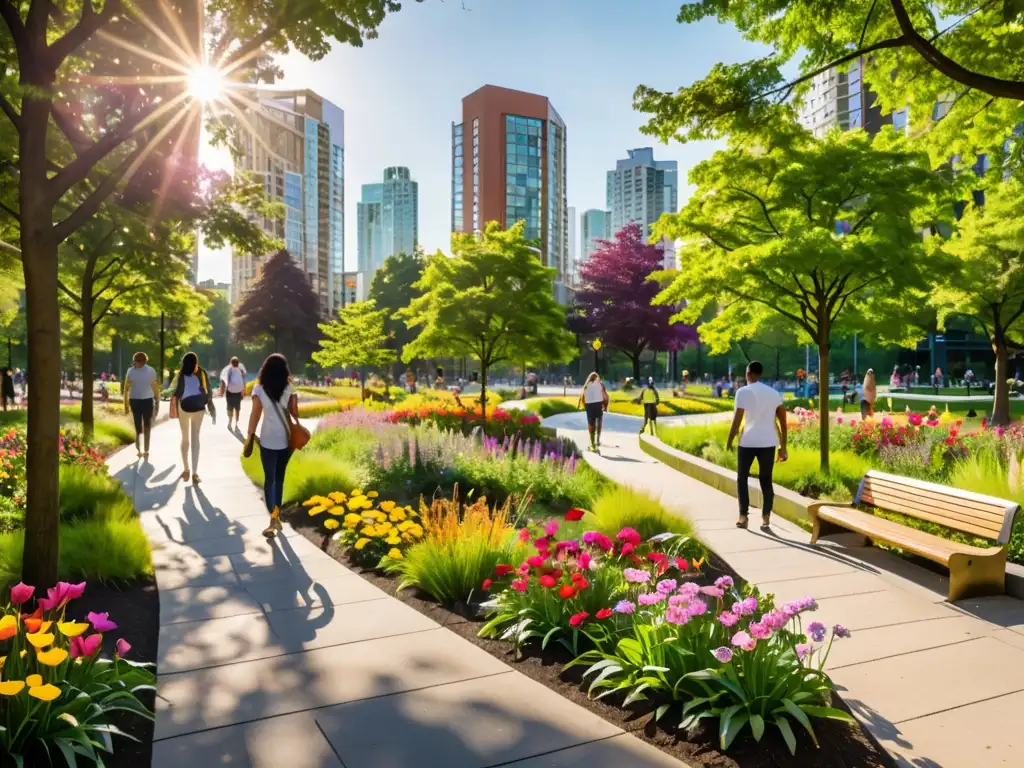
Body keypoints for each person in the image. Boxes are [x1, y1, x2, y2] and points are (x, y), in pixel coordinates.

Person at [726, 361, 788, 531]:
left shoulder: (743, 392)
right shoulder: (774, 393)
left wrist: (730, 440)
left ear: (748, 374)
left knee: (742, 478)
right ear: (760, 374)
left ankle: (743, 516)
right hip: (768, 443)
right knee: (766, 480)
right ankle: (766, 516)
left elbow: (737, 419)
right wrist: (783, 447)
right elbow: (783, 421)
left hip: (747, 441)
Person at [245, 354, 298, 538]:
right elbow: (294, 413)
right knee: (279, 480)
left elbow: (255, 415)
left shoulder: (259, 389)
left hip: (267, 441)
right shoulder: (289, 387)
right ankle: (276, 516)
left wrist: (250, 435)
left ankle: (273, 519)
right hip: (286, 441)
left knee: (270, 481)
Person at [169, 352, 215, 483]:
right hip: (199, 408)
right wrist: (210, 406)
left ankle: (186, 469)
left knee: (185, 439)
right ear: (196, 363)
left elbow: (175, 392)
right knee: (196, 439)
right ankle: (195, 473)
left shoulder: (180, 375)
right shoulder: (201, 373)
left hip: (184, 407)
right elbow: (208, 390)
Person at [124, 352, 160, 459]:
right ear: (134, 361)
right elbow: (126, 388)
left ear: (145, 361)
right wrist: (125, 405)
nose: (139, 363)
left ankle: (146, 449)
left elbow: (155, 386)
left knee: (147, 425)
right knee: (138, 426)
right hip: (135, 400)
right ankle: (139, 449)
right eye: (137, 361)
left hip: (148, 400)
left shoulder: (151, 370)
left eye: (141, 361)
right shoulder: (130, 371)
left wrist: (157, 398)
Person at [578, 371, 609, 452]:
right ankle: (597, 440)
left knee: (591, 424)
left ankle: (592, 444)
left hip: (589, 406)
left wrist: (584, 407)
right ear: (597, 378)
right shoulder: (600, 384)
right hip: (598, 405)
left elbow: (582, 397)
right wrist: (605, 406)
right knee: (599, 421)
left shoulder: (586, 386)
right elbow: (605, 396)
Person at [219, 357, 247, 431]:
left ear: (231, 363)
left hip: (230, 392)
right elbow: (244, 381)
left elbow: (224, 381)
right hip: (238, 392)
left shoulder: (228, 370)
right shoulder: (241, 370)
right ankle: (236, 423)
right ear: (238, 363)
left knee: (229, 407)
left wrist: (221, 392)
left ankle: (230, 421)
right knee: (237, 408)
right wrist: (244, 392)